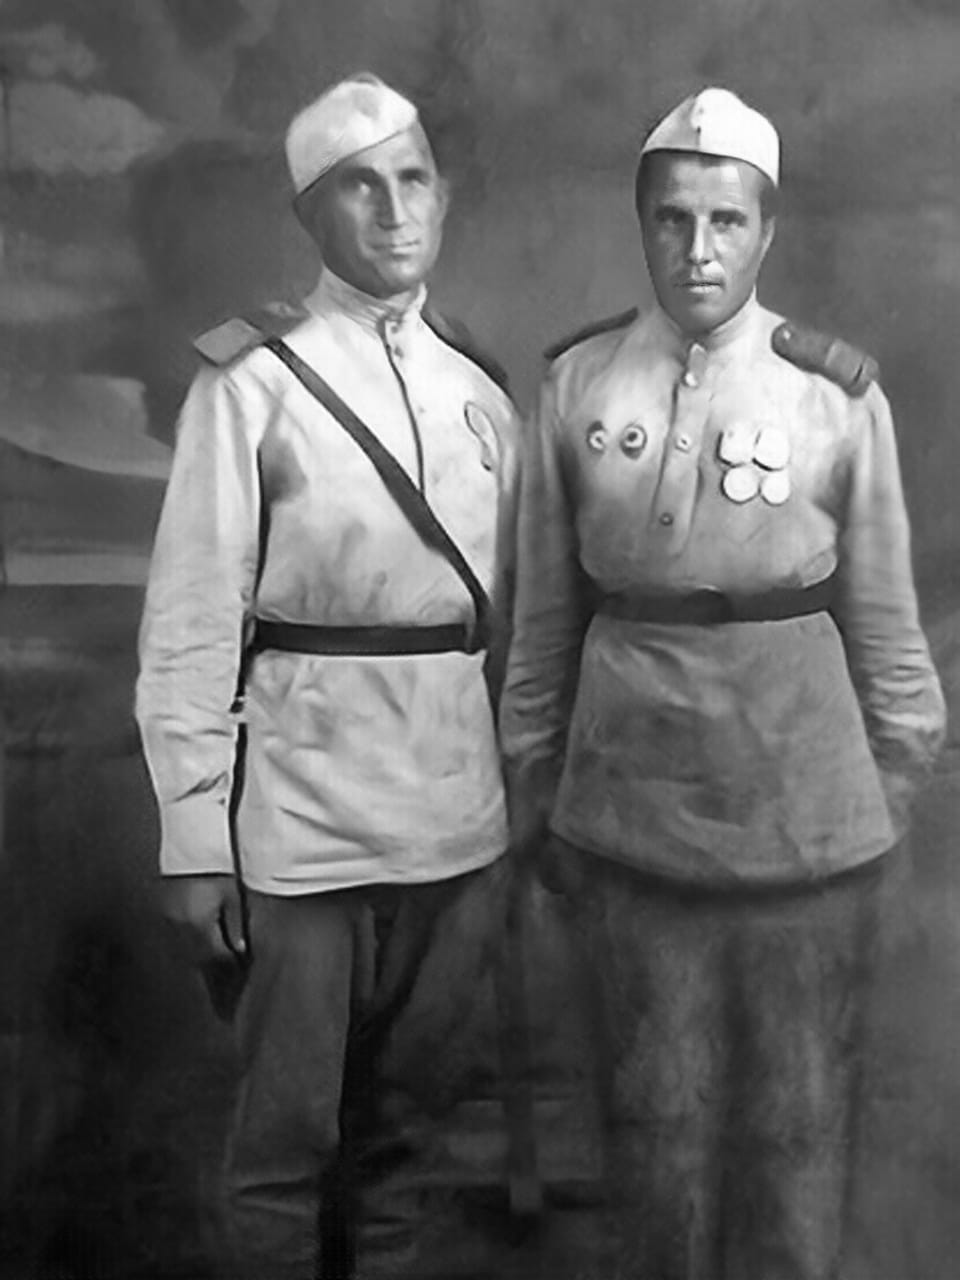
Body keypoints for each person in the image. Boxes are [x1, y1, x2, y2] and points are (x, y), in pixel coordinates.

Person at [500, 87, 946, 1280]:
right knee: (656, 1131)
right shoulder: (580, 386)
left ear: (767, 230)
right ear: (642, 224)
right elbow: (543, 622)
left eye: (728, 221)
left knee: (798, 1130)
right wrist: (534, 779)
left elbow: (888, 628)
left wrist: (887, 786)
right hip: (629, 827)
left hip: (809, 829)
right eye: (674, 219)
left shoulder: (835, 396)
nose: (699, 249)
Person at [136, 73, 519, 1280]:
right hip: (305, 826)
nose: (395, 211)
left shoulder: (480, 388)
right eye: (360, 186)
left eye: (413, 180)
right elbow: (192, 620)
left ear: (442, 196)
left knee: (409, 1144)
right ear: (312, 213)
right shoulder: (251, 381)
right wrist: (194, 837)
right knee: (285, 1150)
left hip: (456, 826)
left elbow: (510, 626)